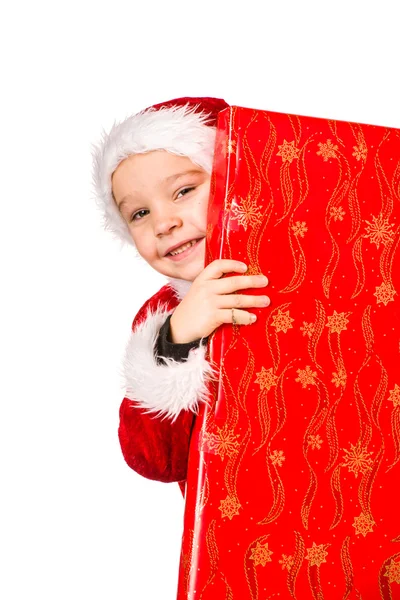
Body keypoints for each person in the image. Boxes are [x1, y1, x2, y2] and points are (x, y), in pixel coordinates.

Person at [91, 96, 271, 497]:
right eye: (139, 214)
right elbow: (155, 460)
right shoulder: (164, 315)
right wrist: (177, 339)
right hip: (236, 532)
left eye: (184, 190)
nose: (164, 223)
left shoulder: (325, 267)